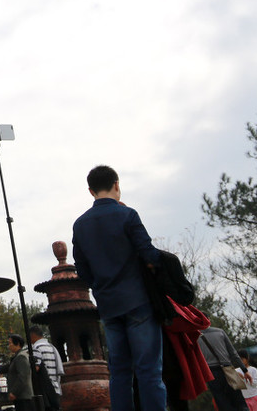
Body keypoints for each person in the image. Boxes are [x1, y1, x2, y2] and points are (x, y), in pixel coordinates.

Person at [71, 164, 166, 411]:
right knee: (149, 371)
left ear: (90, 191)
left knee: (120, 372)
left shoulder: (80, 225)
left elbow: (81, 269)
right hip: (138, 301)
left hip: (108, 306)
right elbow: (149, 254)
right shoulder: (128, 215)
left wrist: (100, 287)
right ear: (117, 185)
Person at [198, 325, 246, 411]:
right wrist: (244, 370)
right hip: (227, 369)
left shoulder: (194, 336)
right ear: (208, 320)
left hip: (211, 373)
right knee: (239, 400)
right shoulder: (220, 331)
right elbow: (233, 352)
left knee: (222, 401)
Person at [29, 325, 65, 397]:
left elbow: (36, 368)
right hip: (55, 387)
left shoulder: (36, 348)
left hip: (45, 389)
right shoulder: (52, 347)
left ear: (32, 335)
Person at [3, 334, 35, 411]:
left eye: (10, 343)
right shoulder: (17, 356)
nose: (9, 346)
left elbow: (23, 376)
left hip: (23, 396)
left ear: (17, 344)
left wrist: (14, 392)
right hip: (20, 396)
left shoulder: (21, 356)